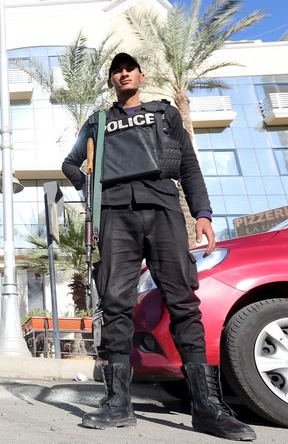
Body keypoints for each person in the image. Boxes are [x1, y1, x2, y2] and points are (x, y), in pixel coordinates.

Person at [62, 53, 255, 441]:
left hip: (164, 208)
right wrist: (90, 189)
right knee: (115, 304)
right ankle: (118, 404)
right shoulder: (98, 122)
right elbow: (70, 163)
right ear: (112, 81)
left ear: (141, 75)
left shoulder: (165, 115)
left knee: (183, 300)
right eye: (117, 70)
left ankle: (207, 407)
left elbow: (188, 166)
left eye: (129, 67)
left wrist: (201, 212)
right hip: (116, 214)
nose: (123, 73)